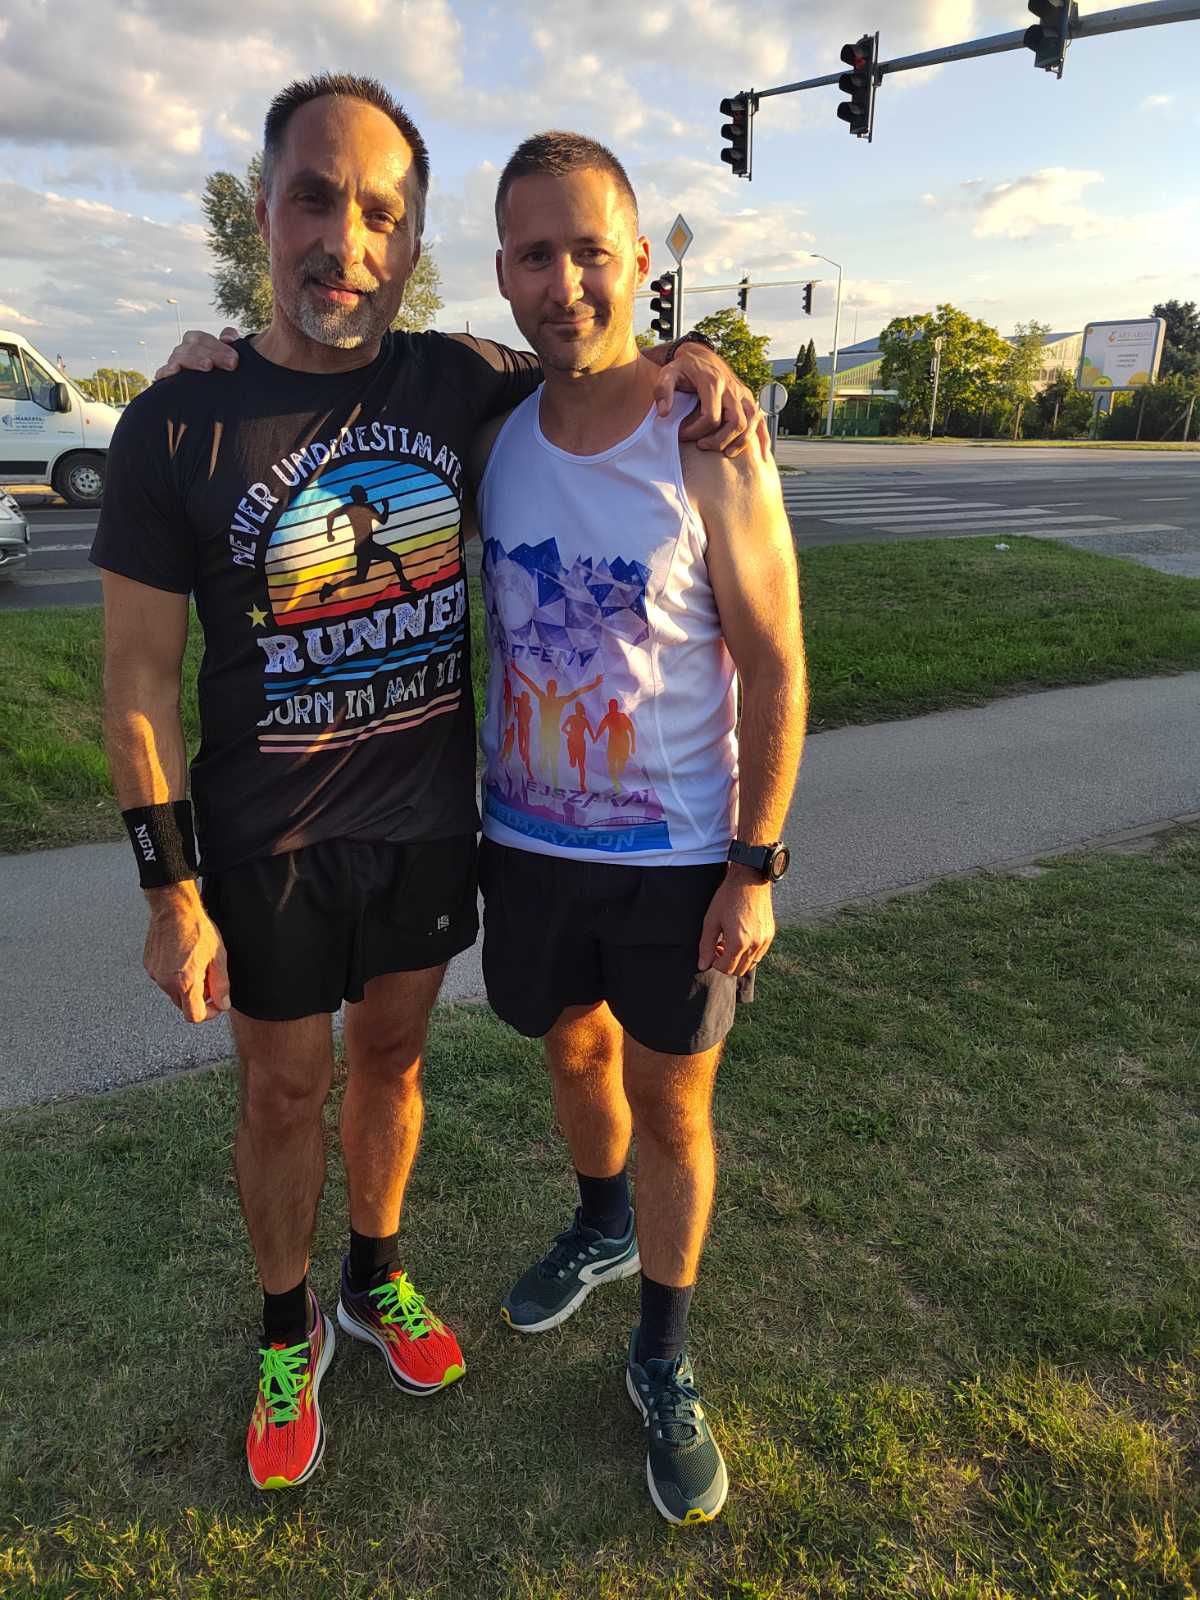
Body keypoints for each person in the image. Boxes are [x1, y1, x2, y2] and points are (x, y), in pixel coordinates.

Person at [102, 74, 759, 1494]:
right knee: (285, 1091)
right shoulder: (177, 423)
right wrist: (170, 891)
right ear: (262, 214)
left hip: (421, 828)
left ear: (412, 243)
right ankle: (287, 1333)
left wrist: (695, 349)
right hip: (267, 841)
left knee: (393, 1063)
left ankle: (373, 1277)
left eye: (382, 214)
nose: (347, 243)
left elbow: (596, 351)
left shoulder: (458, 383)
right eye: (315, 201)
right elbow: (137, 684)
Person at [471, 133, 807, 1526]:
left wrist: (755, 866)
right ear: (503, 273)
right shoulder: (491, 428)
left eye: (591, 251)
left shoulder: (705, 436)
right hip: (527, 844)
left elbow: (777, 662)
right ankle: (600, 1223)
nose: (565, 283)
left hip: (677, 859)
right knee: (570, 1046)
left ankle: (662, 1353)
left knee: (675, 1103)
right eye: (535, 255)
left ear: (637, 263)